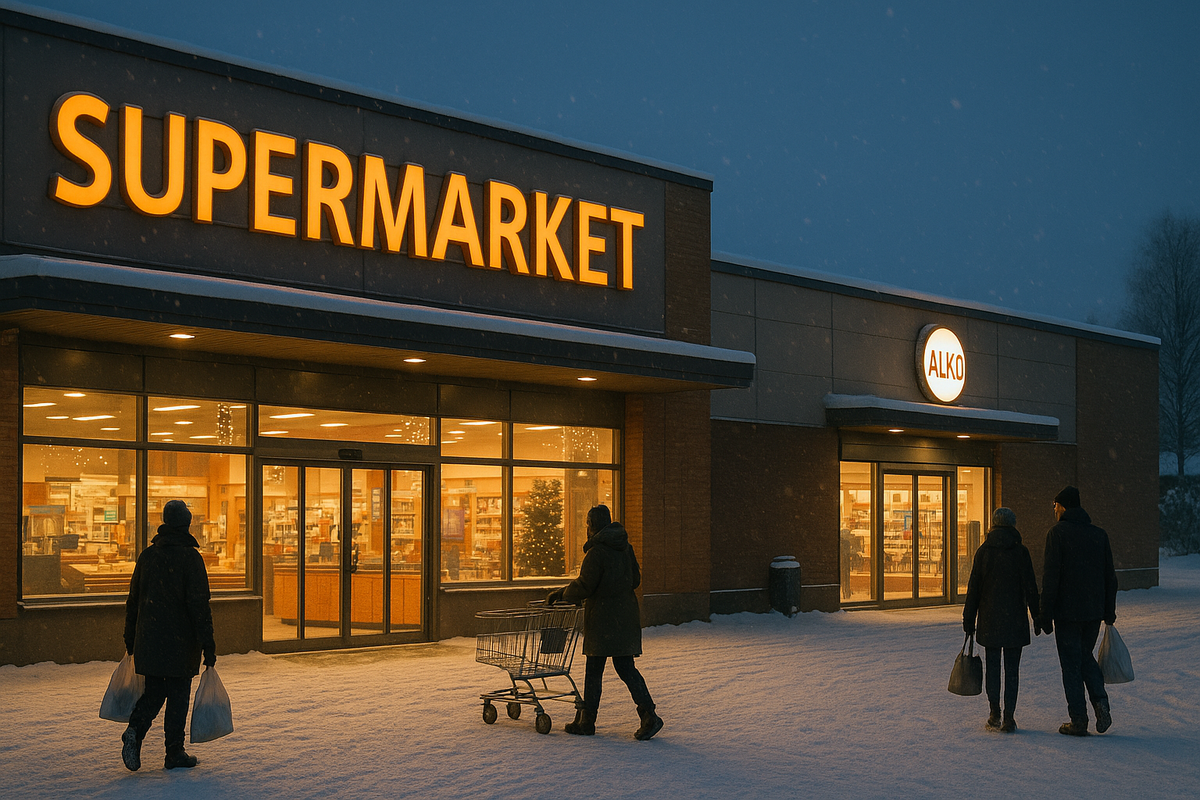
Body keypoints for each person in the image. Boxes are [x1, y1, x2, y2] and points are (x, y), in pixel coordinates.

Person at [546, 504, 662, 740]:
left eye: (588, 522)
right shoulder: (625, 548)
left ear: (595, 524)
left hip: (602, 618)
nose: (586, 527)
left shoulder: (597, 553)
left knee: (594, 669)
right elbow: (635, 579)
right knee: (626, 668)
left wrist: (562, 593)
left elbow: (585, 585)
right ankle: (649, 715)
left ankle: (587, 721)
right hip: (625, 616)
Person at [121, 500, 217, 771]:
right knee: (177, 695)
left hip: (149, 637)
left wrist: (130, 637)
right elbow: (199, 606)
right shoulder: (190, 558)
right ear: (186, 524)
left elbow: (133, 601)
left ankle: (135, 730)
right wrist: (208, 644)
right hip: (180, 641)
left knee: (154, 690)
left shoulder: (148, 556)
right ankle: (174, 751)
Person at [1037, 486, 1119, 736]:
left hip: (1067, 612)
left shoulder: (1057, 534)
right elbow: (1110, 577)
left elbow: (1051, 578)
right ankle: (1100, 702)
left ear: (1062, 506)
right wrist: (1109, 611)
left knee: (1071, 665)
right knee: (1084, 656)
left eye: (1054, 506)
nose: (1053, 511)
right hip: (1092, 612)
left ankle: (1079, 719)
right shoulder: (1099, 535)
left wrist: (1045, 613)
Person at [962, 507, 1040, 733]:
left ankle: (994, 712)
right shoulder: (1020, 551)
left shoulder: (984, 551)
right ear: (1013, 525)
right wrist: (1037, 616)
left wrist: (969, 619)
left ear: (993, 525)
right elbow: (1030, 586)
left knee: (993, 668)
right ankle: (1009, 717)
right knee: (1012, 670)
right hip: (1014, 619)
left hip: (990, 619)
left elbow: (974, 589)